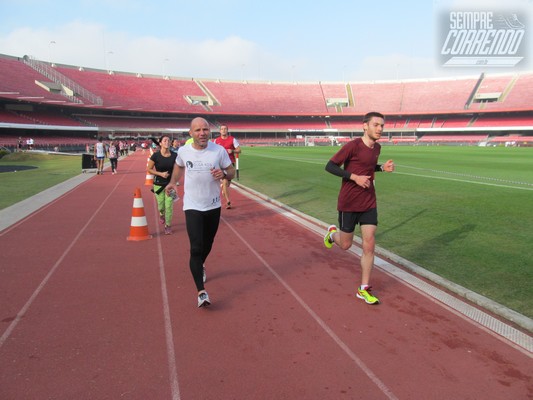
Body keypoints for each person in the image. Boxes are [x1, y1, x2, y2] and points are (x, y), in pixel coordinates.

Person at [323, 111, 395, 305]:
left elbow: (368, 167)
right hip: (349, 202)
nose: (380, 129)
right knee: (345, 245)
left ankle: (364, 288)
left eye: (382, 126)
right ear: (365, 126)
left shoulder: (377, 148)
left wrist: (381, 169)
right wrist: (354, 177)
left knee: (369, 243)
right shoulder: (352, 146)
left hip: (369, 202)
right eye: (376, 125)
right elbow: (330, 166)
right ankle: (332, 234)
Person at [166, 117, 235, 307]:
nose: (202, 133)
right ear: (191, 133)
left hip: (213, 205)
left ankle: (200, 263)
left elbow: (231, 171)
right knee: (196, 247)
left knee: (208, 243)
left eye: (205, 129)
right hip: (192, 205)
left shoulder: (218, 151)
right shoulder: (183, 151)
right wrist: (173, 182)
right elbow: (179, 165)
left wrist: (224, 174)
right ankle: (201, 291)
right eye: (197, 130)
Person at [147, 135, 178, 235]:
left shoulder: (174, 155)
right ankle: (161, 214)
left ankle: (168, 226)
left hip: (170, 185)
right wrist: (161, 174)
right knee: (161, 205)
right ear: (160, 143)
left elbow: (178, 169)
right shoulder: (155, 156)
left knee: (169, 205)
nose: (167, 142)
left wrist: (174, 182)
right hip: (158, 184)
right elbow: (149, 169)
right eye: (165, 140)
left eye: (169, 140)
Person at [214, 124, 241, 209]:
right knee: (225, 182)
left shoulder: (232, 139)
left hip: (230, 164)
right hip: (220, 164)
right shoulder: (216, 140)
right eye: (222, 129)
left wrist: (232, 150)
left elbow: (239, 150)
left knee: (227, 183)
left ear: (227, 130)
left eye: (225, 129)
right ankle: (228, 201)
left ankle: (224, 187)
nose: (223, 130)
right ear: (220, 131)